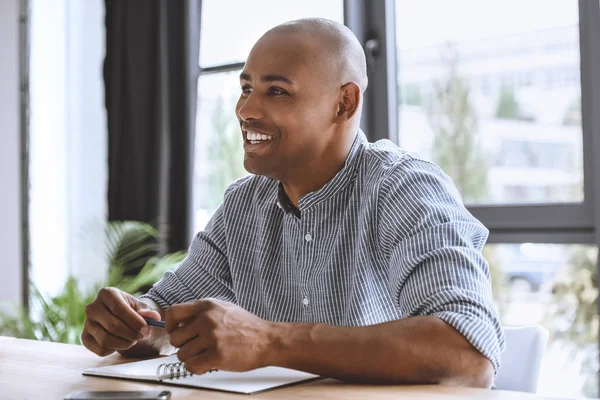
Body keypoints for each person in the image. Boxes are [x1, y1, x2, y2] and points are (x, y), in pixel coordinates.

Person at [82, 18, 505, 388]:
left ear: (345, 103)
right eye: (246, 88)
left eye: (277, 92)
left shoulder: (403, 188)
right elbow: (169, 316)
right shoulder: (243, 205)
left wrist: (270, 341)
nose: (245, 110)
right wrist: (136, 323)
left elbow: (468, 353)